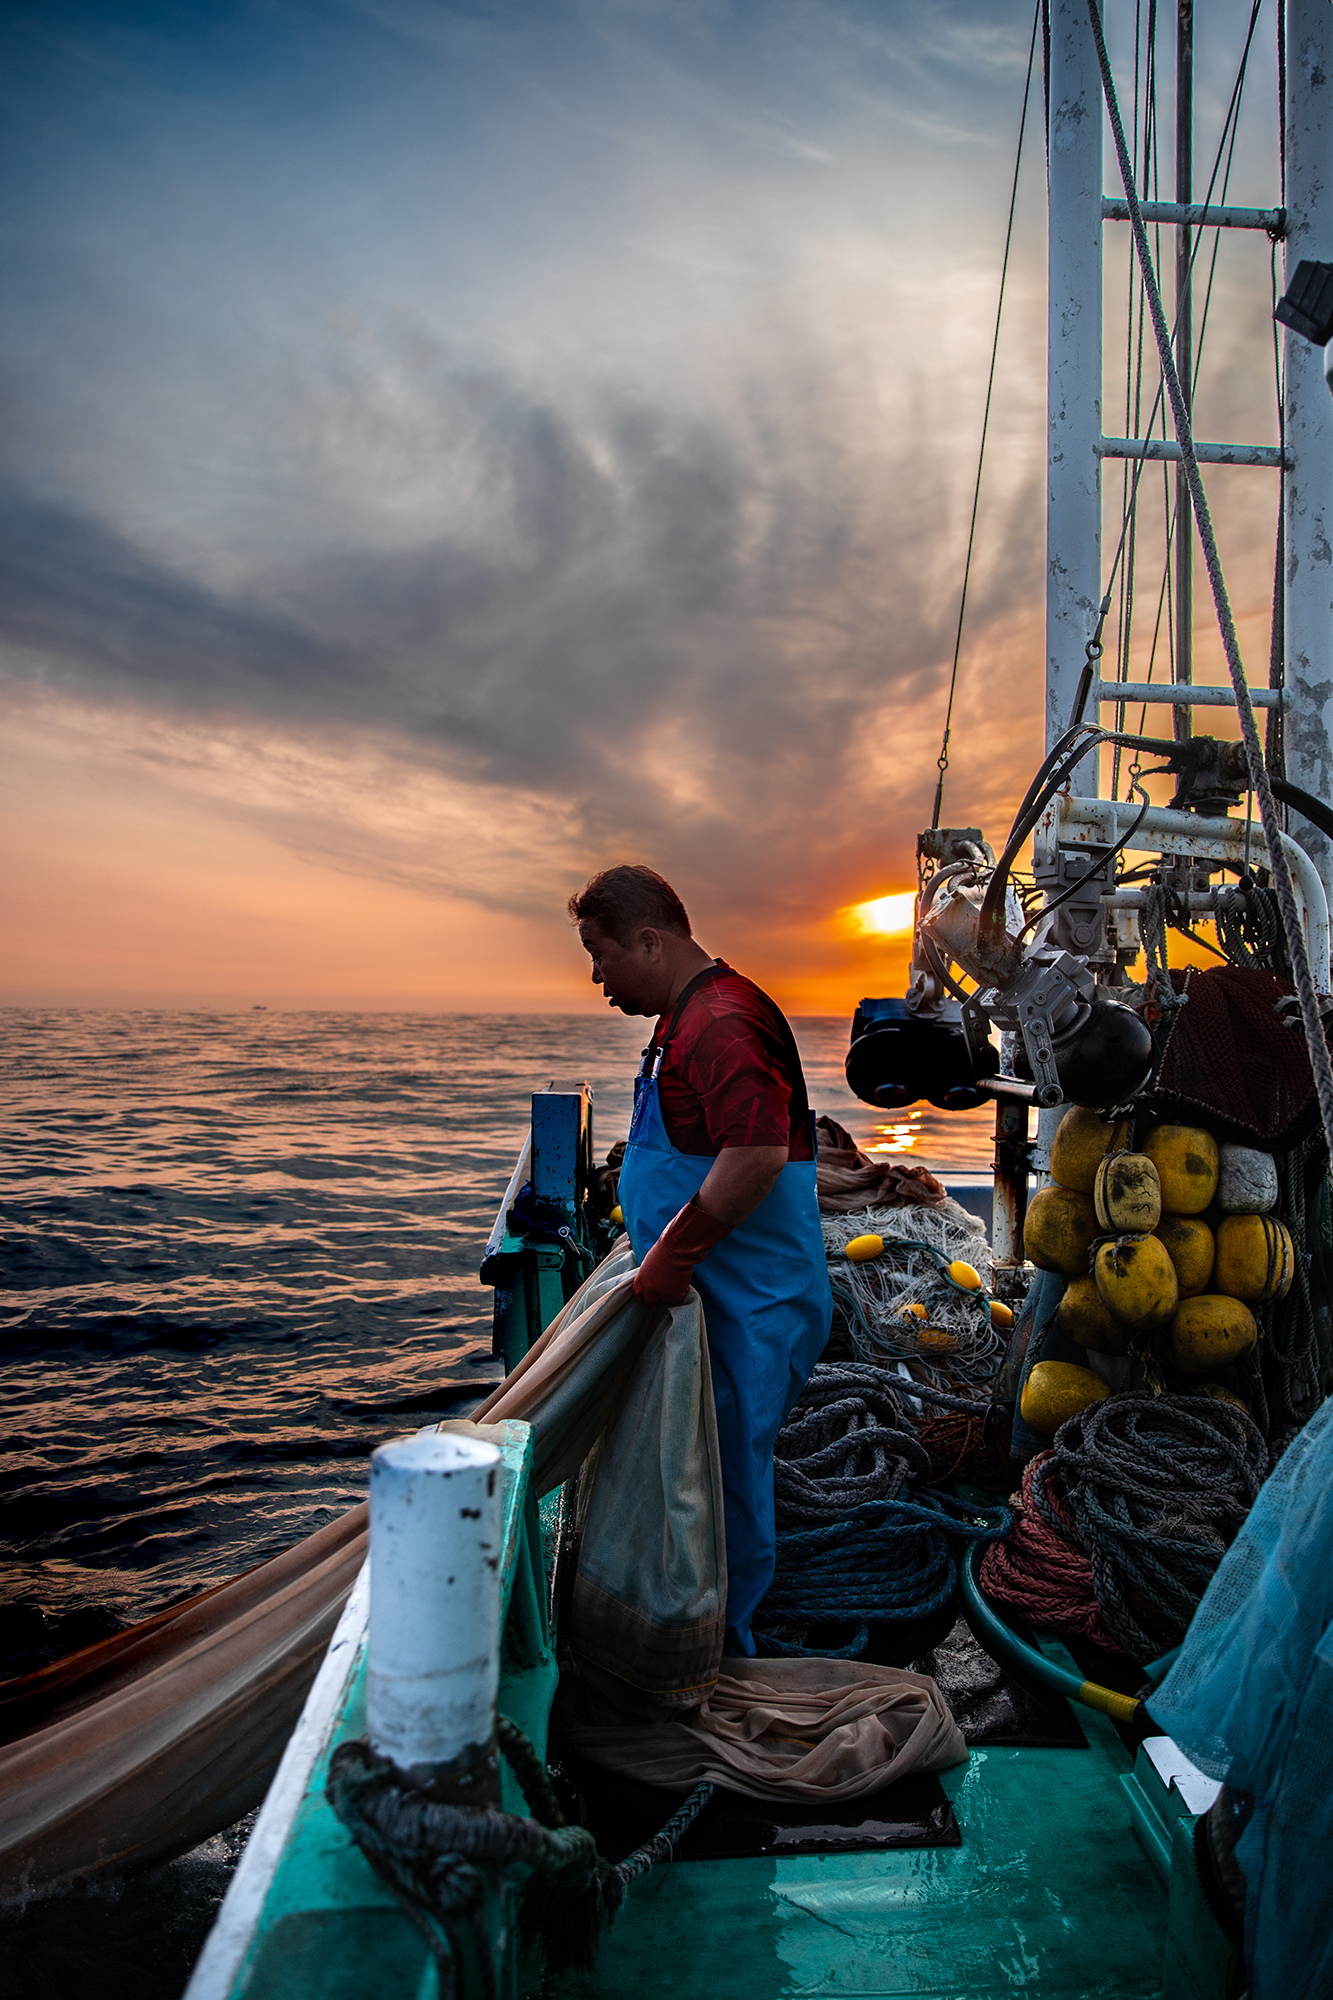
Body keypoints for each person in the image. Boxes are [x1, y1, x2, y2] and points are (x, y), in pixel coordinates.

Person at [569, 863, 832, 1656]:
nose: (595, 976)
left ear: (649, 941)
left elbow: (752, 1154)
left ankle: (717, 1650)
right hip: (709, 1296)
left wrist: (670, 1258)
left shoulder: (720, 1019)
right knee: (700, 1469)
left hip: (746, 1305)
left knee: (723, 1482)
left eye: (598, 953)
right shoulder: (681, 1021)